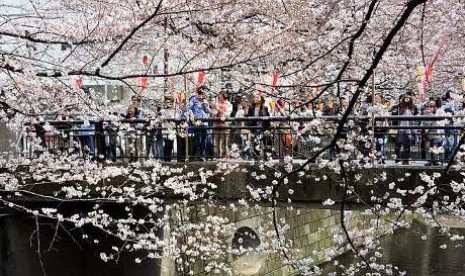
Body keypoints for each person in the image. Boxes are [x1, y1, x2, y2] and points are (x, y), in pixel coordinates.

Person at [188, 87, 211, 160]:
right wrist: (192, 115)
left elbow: (208, 112)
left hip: (204, 122)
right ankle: (194, 155)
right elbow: (188, 108)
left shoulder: (205, 101)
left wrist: (206, 105)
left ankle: (202, 155)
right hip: (196, 122)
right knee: (196, 139)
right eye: (204, 93)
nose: (205, 94)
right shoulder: (194, 99)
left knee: (204, 140)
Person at [247, 93, 271, 159]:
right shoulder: (251, 109)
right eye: (255, 97)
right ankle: (256, 159)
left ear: (261, 100)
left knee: (265, 145)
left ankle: (267, 158)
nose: (255, 99)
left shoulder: (265, 108)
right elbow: (249, 119)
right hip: (254, 129)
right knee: (255, 145)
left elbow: (268, 120)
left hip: (263, 129)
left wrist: (268, 129)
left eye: (257, 97)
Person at [212, 92, 232, 158]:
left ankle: (225, 156)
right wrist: (215, 109)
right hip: (216, 125)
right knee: (216, 143)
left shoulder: (228, 104)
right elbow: (213, 113)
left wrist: (218, 109)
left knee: (224, 142)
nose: (219, 98)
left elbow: (227, 114)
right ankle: (217, 156)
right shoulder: (216, 104)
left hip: (225, 125)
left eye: (220, 97)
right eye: (218, 97)